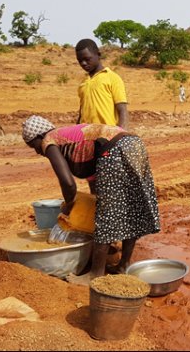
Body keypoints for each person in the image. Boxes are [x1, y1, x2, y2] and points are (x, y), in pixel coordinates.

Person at [21, 115, 160, 283]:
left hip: (114, 149)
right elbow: (96, 186)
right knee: (130, 207)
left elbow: (68, 184)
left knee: (106, 214)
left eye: (32, 146)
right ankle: (124, 264)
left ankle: (95, 274)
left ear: (38, 137)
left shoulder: (49, 141)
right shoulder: (74, 142)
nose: (37, 151)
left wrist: (69, 205)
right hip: (133, 144)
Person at [75, 39, 129, 129]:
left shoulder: (112, 78)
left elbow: (122, 110)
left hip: (107, 134)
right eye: (80, 61)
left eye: (87, 59)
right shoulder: (83, 83)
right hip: (86, 135)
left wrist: (121, 134)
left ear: (98, 55)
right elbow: (82, 113)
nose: (83, 63)